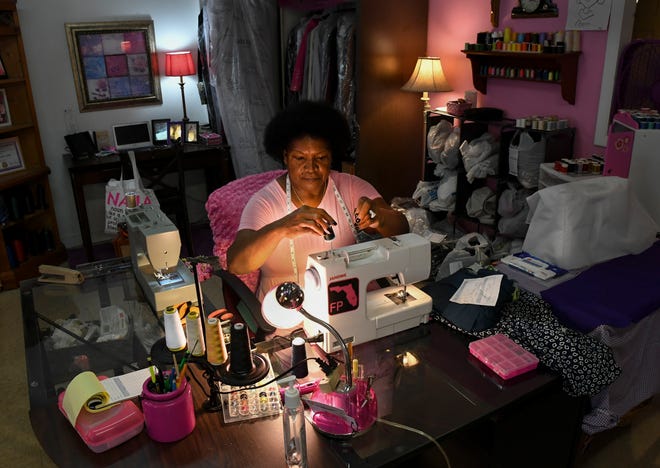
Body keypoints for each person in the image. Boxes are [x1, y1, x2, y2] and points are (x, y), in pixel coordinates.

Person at [227, 100, 409, 301]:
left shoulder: (350, 187)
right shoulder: (265, 202)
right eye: (300, 158)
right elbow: (236, 263)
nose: (311, 167)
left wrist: (379, 219)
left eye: (320, 158)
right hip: (286, 307)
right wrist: (281, 228)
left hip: (347, 296)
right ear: (285, 157)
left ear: (331, 157)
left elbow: (402, 229)